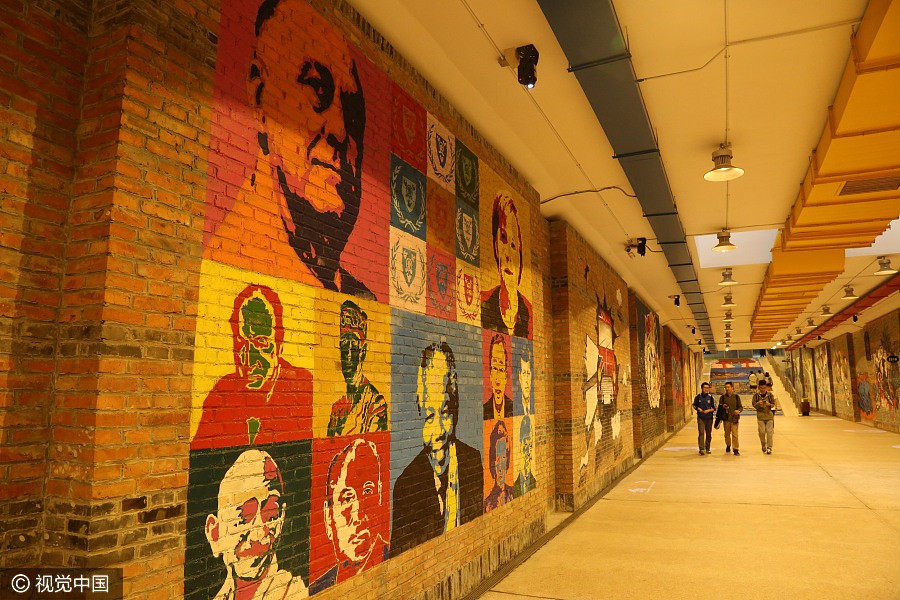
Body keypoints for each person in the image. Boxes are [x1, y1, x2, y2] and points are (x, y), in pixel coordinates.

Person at [207, 0, 374, 299]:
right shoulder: (228, 269)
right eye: (315, 88)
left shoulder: (361, 300)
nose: (339, 130)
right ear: (260, 97)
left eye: (351, 112)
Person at [391, 342, 484, 556]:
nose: (439, 430)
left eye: (445, 413)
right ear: (419, 413)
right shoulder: (407, 485)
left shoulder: (472, 461)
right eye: (430, 416)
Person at [192, 284, 312, 449]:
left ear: (279, 344)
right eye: (241, 342)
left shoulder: (304, 389)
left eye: (261, 341)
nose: (249, 357)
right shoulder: (220, 396)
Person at [204, 449, 309, 599]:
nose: (259, 534)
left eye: (271, 516)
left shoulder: (292, 592)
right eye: (243, 518)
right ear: (214, 533)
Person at [310, 439, 388, 594]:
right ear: (328, 517)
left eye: (367, 492)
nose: (359, 516)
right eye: (347, 499)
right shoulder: (317, 589)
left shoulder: (392, 564)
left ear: (380, 497)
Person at [326, 301, 387, 436]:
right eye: (343, 346)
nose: (347, 356)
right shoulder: (337, 408)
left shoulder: (375, 403)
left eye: (353, 347)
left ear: (362, 352)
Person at [481, 192, 532, 338]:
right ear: (495, 245)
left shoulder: (528, 312)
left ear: (521, 255)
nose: (508, 255)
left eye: (514, 245)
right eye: (503, 238)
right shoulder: (482, 305)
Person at [484, 420, 514, 511]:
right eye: (497, 458)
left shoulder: (513, 493)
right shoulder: (487, 504)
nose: (500, 466)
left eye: (504, 457)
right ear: (492, 462)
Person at [484, 334, 513, 420]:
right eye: (494, 368)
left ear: (506, 375)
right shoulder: (484, 410)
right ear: (490, 374)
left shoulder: (513, 407)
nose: (497, 380)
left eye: (501, 370)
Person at [513, 414, 536, 496]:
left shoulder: (534, 481)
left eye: (530, 445)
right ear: (520, 445)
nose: (528, 452)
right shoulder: (514, 487)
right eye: (525, 446)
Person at [752, 380, 777, 454]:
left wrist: (769, 404)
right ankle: (763, 444)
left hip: (769, 416)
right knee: (761, 432)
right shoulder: (756, 396)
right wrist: (758, 404)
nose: (763, 389)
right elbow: (754, 405)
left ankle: (769, 447)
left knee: (770, 432)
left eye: (764, 388)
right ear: (759, 387)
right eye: (761, 388)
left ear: (766, 387)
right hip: (760, 417)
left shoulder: (770, 395)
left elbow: (773, 404)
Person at [718, 382, 743, 455]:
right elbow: (719, 407)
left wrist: (738, 411)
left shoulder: (736, 397)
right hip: (726, 418)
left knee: (735, 434)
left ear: (732, 388)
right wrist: (723, 406)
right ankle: (728, 445)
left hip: (734, 418)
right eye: (726, 387)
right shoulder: (722, 397)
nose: (727, 389)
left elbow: (740, 407)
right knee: (727, 434)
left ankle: (735, 449)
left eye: (728, 387)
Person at [692, 382, 715, 455]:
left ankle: (707, 448)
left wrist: (709, 410)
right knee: (701, 432)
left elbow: (714, 408)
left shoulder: (711, 397)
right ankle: (701, 449)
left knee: (708, 433)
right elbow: (694, 405)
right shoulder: (698, 397)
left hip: (709, 418)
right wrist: (699, 409)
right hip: (701, 418)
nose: (706, 389)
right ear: (702, 388)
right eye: (705, 388)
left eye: (707, 388)